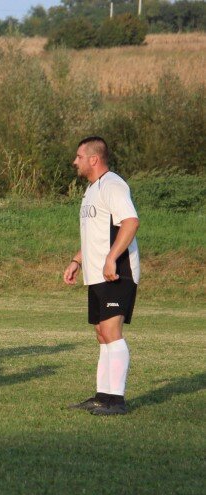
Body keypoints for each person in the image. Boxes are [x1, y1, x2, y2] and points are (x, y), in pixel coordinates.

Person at [63, 136, 139, 416]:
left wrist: (111, 259)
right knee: (101, 333)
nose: (75, 161)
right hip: (96, 275)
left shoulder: (114, 185)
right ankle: (102, 396)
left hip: (117, 273)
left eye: (79, 157)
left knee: (111, 331)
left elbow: (131, 222)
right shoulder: (92, 190)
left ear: (94, 159)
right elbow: (95, 235)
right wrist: (77, 260)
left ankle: (116, 401)